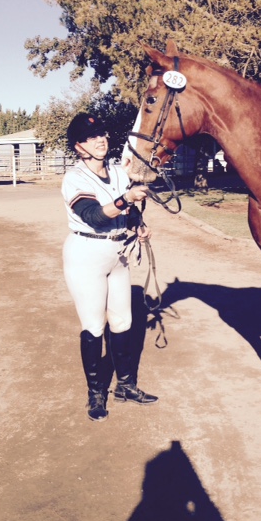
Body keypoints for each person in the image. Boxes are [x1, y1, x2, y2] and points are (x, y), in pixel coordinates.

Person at [61, 113, 158, 422]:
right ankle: (96, 393)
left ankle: (125, 386)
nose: (100, 140)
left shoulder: (118, 172)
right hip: (86, 254)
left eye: (102, 134)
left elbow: (127, 211)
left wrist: (138, 223)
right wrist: (125, 198)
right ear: (79, 147)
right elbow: (93, 216)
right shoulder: (75, 178)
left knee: (122, 321)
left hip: (118, 253)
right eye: (91, 137)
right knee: (93, 326)